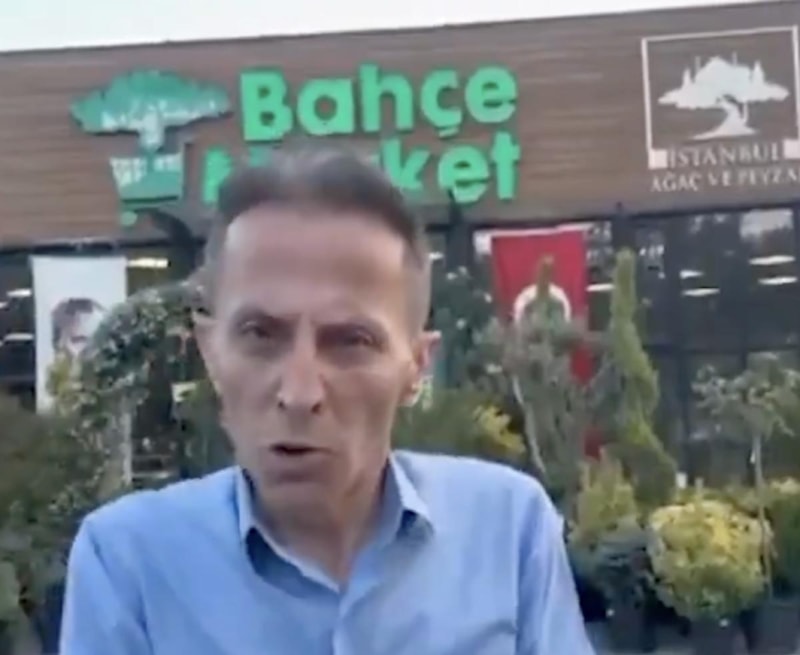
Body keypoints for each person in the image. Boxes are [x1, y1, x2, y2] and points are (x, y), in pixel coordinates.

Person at [60, 148, 595, 655]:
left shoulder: (508, 529)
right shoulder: (128, 563)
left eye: (351, 341)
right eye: (260, 334)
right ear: (211, 352)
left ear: (416, 367)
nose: (300, 394)